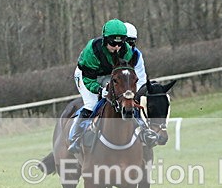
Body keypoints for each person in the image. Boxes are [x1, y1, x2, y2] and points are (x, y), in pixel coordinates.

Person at [67, 19, 157, 154]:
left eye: (120, 43)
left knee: (126, 101)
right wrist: (99, 90)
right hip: (87, 75)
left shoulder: (127, 51)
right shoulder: (92, 50)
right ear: (105, 40)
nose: (116, 47)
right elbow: (88, 79)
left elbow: (126, 76)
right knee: (91, 104)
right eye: (113, 43)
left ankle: (145, 129)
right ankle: (75, 137)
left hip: (109, 74)